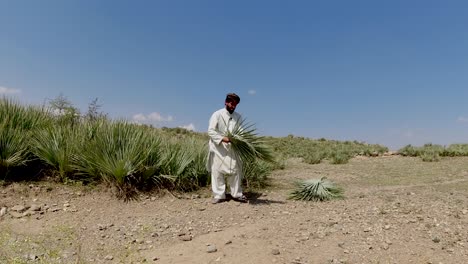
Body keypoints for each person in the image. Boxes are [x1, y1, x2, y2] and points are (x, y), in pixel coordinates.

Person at [207, 93, 248, 204]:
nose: (232, 105)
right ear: (226, 102)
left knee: (235, 170)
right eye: (231, 103)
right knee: (217, 171)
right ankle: (219, 195)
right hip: (218, 147)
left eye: (235, 104)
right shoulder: (217, 114)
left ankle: (236, 194)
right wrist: (223, 139)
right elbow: (211, 130)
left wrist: (238, 139)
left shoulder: (238, 117)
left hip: (232, 148)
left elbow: (241, 132)